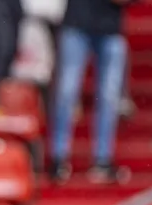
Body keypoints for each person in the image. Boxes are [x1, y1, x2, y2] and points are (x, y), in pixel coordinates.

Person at [48, 0, 134, 183]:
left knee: (109, 97)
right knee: (67, 92)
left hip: (111, 27)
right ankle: (58, 157)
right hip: (77, 23)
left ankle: (102, 159)